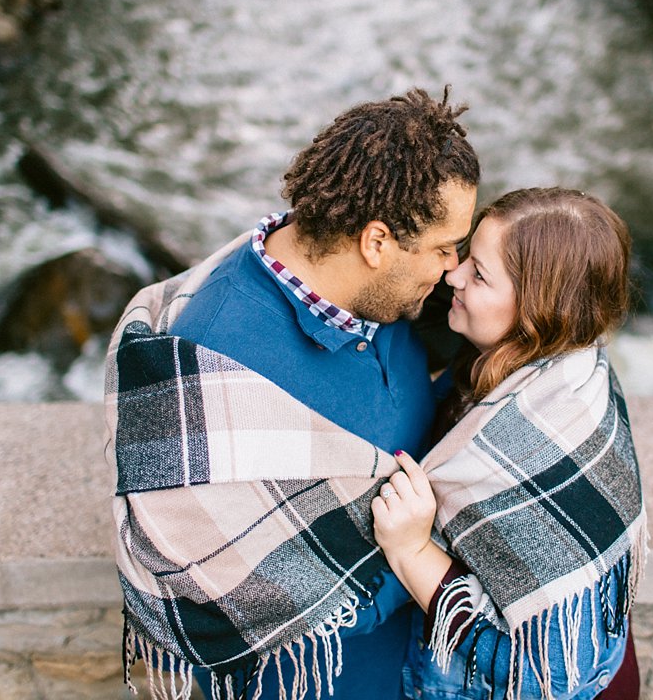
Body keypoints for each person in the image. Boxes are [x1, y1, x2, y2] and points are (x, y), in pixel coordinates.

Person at [104, 87, 480, 700]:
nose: (453, 268)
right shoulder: (215, 364)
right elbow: (223, 592)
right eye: (443, 248)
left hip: (414, 660)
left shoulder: (384, 298)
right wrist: (424, 561)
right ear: (376, 243)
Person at [371, 187, 646, 700]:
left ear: (534, 312)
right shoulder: (568, 357)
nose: (452, 275)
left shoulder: (536, 445)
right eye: (466, 256)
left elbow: (552, 676)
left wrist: (412, 552)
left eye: (478, 273)